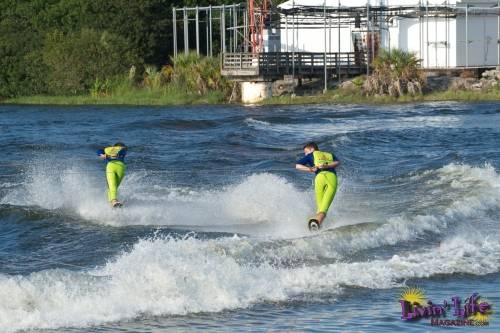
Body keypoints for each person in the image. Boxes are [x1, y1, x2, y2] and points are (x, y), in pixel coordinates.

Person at [295, 142, 340, 231]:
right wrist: (326, 165)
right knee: (324, 206)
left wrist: (310, 169)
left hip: (319, 178)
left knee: (320, 206)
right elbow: (337, 162)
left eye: (306, 152)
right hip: (331, 177)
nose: (305, 154)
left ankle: (317, 224)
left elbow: (297, 166)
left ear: (312, 149)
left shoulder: (311, 155)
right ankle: (316, 222)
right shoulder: (330, 154)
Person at [97, 142, 127, 207]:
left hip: (110, 167)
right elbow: (123, 151)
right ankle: (113, 201)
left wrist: (102, 155)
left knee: (111, 186)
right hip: (121, 167)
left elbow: (99, 151)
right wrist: (103, 155)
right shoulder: (123, 150)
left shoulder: (109, 150)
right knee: (114, 186)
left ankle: (112, 202)